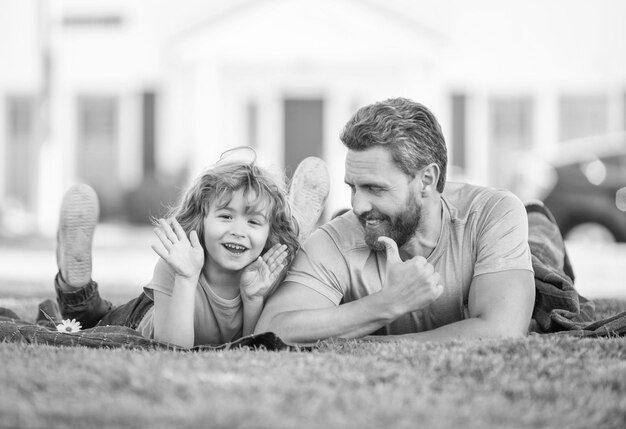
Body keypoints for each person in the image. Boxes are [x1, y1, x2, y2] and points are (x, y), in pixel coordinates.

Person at [255, 97, 538, 344]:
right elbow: (271, 330)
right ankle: (296, 231)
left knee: (539, 231)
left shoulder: (492, 213)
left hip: (515, 236)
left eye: (375, 188)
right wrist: (387, 303)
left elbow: (504, 331)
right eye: (353, 187)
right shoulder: (336, 239)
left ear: (427, 180)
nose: (357, 204)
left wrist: (369, 346)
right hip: (362, 241)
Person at [53, 154, 307, 348]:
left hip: (258, 274)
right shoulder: (176, 265)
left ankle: (300, 227)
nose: (239, 231)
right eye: (226, 216)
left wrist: (253, 299)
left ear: (268, 232)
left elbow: (252, 346)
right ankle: (74, 283)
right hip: (140, 318)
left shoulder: (264, 275)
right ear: (202, 220)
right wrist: (186, 277)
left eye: (253, 222)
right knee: (91, 320)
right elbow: (173, 348)